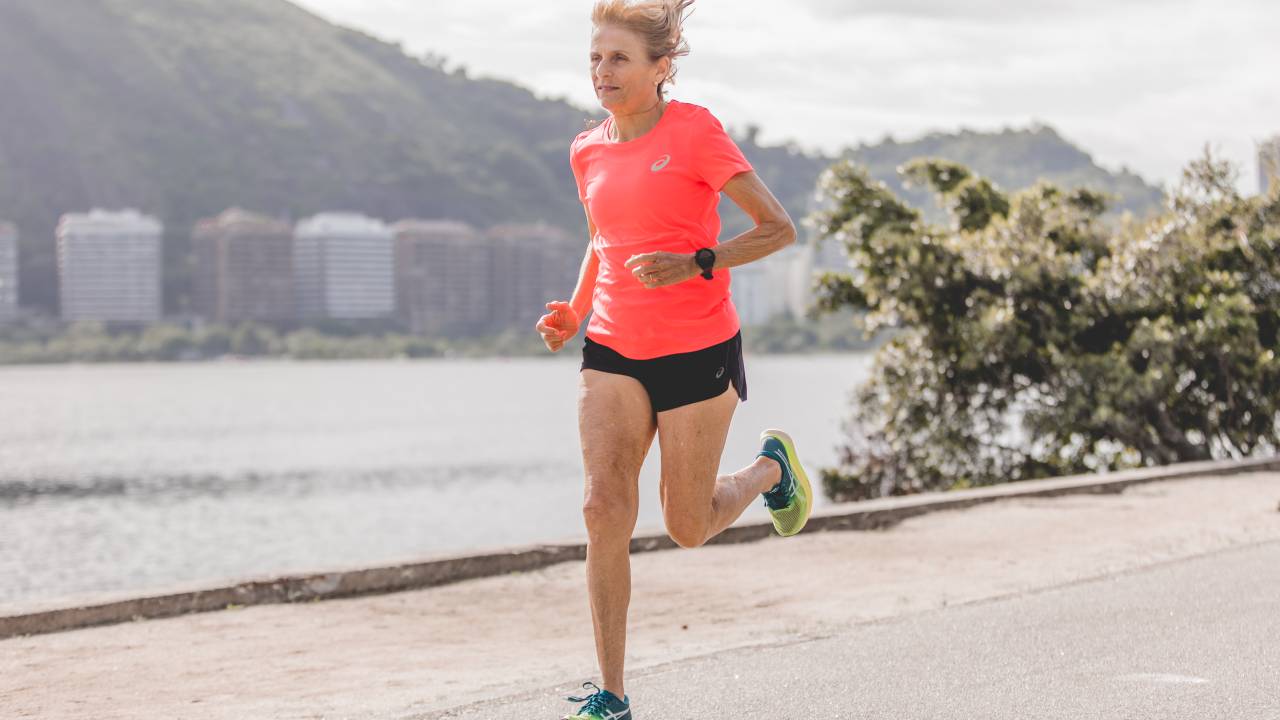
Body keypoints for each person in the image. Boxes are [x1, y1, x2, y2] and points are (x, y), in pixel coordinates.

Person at [534, 1, 811, 717]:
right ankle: (613, 695)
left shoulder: (695, 132)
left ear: (661, 68)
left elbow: (777, 228)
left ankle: (771, 467)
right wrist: (573, 310)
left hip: (698, 350)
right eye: (596, 58)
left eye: (619, 58)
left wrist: (700, 261)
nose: (603, 72)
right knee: (602, 507)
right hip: (613, 348)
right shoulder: (585, 148)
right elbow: (602, 244)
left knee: (687, 526)